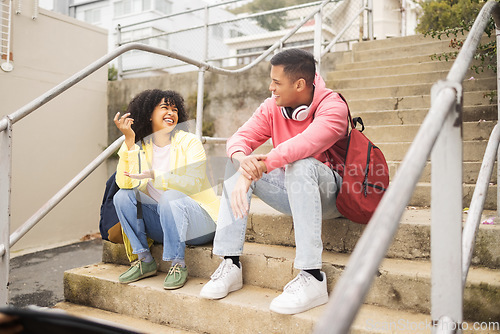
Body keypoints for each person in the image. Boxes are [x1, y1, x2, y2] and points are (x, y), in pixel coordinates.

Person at [199, 48, 349, 314]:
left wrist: (261, 165)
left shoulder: (333, 106)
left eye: (277, 82)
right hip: (294, 193)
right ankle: (230, 264)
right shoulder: (272, 107)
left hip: (333, 196)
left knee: (300, 163)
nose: (271, 88)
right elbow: (238, 139)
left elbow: (302, 146)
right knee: (237, 163)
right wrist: (243, 163)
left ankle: (312, 277)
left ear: (300, 84)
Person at [113, 89, 219, 290]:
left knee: (170, 197)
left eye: (175, 109)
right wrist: (128, 141)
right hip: (164, 224)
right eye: (164, 108)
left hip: (200, 224)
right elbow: (125, 183)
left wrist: (157, 175)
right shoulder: (141, 147)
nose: (171, 113)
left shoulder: (190, 142)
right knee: (122, 197)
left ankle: (177, 264)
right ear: (149, 114)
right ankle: (144, 260)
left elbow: (193, 183)